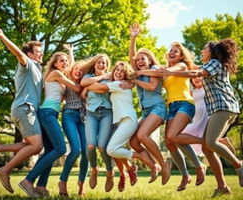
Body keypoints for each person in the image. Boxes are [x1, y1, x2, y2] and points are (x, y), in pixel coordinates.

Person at [159, 38, 243, 196]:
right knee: (207, 147)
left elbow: (195, 72)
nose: (201, 51)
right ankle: (222, 187)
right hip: (217, 110)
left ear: (212, 52)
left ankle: (239, 164)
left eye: (204, 49)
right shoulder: (208, 65)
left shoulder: (215, 63)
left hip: (225, 106)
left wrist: (171, 71)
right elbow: (193, 68)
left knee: (211, 142)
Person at [137, 42, 206, 191]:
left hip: (185, 103)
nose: (173, 52)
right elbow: (158, 73)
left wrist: (140, 73)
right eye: (171, 50)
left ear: (181, 56)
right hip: (172, 106)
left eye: (176, 51)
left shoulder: (181, 66)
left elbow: (163, 72)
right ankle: (185, 175)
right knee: (169, 142)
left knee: (173, 136)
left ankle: (201, 156)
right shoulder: (163, 69)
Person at [82, 61, 155, 192]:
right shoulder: (119, 84)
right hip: (120, 121)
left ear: (125, 75)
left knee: (111, 150)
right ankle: (125, 172)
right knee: (113, 149)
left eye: (122, 71)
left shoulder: (118, 84)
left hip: (127, 120)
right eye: (117, 70)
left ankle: (139, 157)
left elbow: (99, 88)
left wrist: (87, 86)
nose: (119, 72)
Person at [0, 25, 43, 194]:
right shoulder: (28, 64)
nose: (42, 54)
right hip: (25, 109)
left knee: (28, 144)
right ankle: (5, 169)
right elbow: (19, 53)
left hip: (22, 110)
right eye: (38, 51)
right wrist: (2, 37)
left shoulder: (38, 70)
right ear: (30, 54)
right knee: (37, 145)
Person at [18, 48, 82, 197]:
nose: (65, 63)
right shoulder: (56, 74)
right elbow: (77, 87)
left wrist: (70, 53)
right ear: (54, 64)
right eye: (62, 61)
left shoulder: (60, 76)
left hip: (49, 114)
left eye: (66, 61)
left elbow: (70, 71)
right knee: (60, 149)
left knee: (50, 150)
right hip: (47, 114)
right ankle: (28, 180)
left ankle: (41, 186)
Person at [126, 23, 171, 185]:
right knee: (133, 141)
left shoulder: (155, 68)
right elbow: (131, 57)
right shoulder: (137, 68)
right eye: (137, 61)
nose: (138, 62)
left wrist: (136, 77)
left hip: (158, 107)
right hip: (146, 111)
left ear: (149, 59)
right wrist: (133, 39)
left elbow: (152, 86)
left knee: (142, 135)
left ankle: (163, 164)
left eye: (142, 59)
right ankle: (153, 165)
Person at [80, 54, 114, 192]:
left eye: (104, 63)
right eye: (99, 62)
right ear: (94, 64)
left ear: (107, 66)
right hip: (91, 113)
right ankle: (94, 169)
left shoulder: (112, 76)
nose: (101, 65)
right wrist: (101, 79)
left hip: (107, 112)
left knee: (102, 146)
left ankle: (110, 172)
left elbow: (103, 89)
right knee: (90, 145)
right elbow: (83, 84)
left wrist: (89, 88)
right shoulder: (88, 77)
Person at [58, 59, 88, 197]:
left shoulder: (85, 82)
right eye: (76, 69)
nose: (79, 71)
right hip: (69, 115)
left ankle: (82, 183)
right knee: (76, 150)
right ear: (71, 70)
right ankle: (62, 181)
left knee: (87, 153)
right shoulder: (68, 80)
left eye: (81, 70)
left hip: (83, 118)